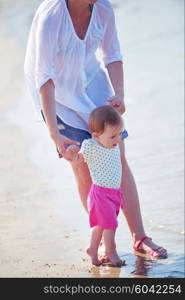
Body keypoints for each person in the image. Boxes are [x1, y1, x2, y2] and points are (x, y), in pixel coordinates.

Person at [24, 0, 167, 259]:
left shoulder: (102, 8)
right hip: (61, 102)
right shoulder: (51, 18)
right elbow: (43, 78)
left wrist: (120, 92)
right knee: (84, 171)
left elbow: (112, 54)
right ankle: (100, 242)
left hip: (96, 92)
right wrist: (54, 133)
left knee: (118, 162)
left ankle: (140, 237)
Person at [77, 105, 126, 266]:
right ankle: (110, 251)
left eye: (119, 134)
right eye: (113, 136)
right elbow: (80, 154)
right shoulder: (92, 146)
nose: (117, 139)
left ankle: (92, 249)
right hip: (101, 194)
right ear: (96, 136)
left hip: (113, 193)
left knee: (101, 224)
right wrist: (74, 153)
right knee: (110, 225)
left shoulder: (113, 144)